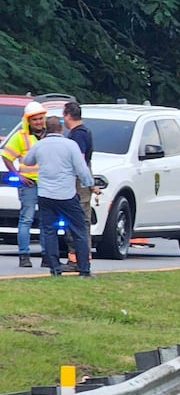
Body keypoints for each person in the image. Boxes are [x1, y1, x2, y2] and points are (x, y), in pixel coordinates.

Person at [22, 116, 100, 276]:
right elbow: (81, 168)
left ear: (46, 129)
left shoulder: (40, 145)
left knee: (49, 231)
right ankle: (84, 269)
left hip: (45, 195)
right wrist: (89, 184)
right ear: (61, 129)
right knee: (79, 230)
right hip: (66, 194)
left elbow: (28, 161)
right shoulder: (70, 145)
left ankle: (55, 268)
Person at [1, 100, 49, 267]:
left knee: (46, 221)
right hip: (28, 184)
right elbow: (6, 156)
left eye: (41, 118)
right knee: (26, 219)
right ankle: (24, 255)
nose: (38, 122)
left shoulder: (49, 135)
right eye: (35, 119)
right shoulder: (20, 136)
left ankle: (47, 256)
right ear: (28, 120)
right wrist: (17, 175)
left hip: (47, 184)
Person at [62, 101, 94, 272]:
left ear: (68, 115)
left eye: (63, 115)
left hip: (78, 182)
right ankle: (81, 259)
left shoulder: (78, 135)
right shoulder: (83, 132)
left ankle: (77, 260)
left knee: (78, 219)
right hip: (82, 180)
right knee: (81, 219)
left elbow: (79, 160)